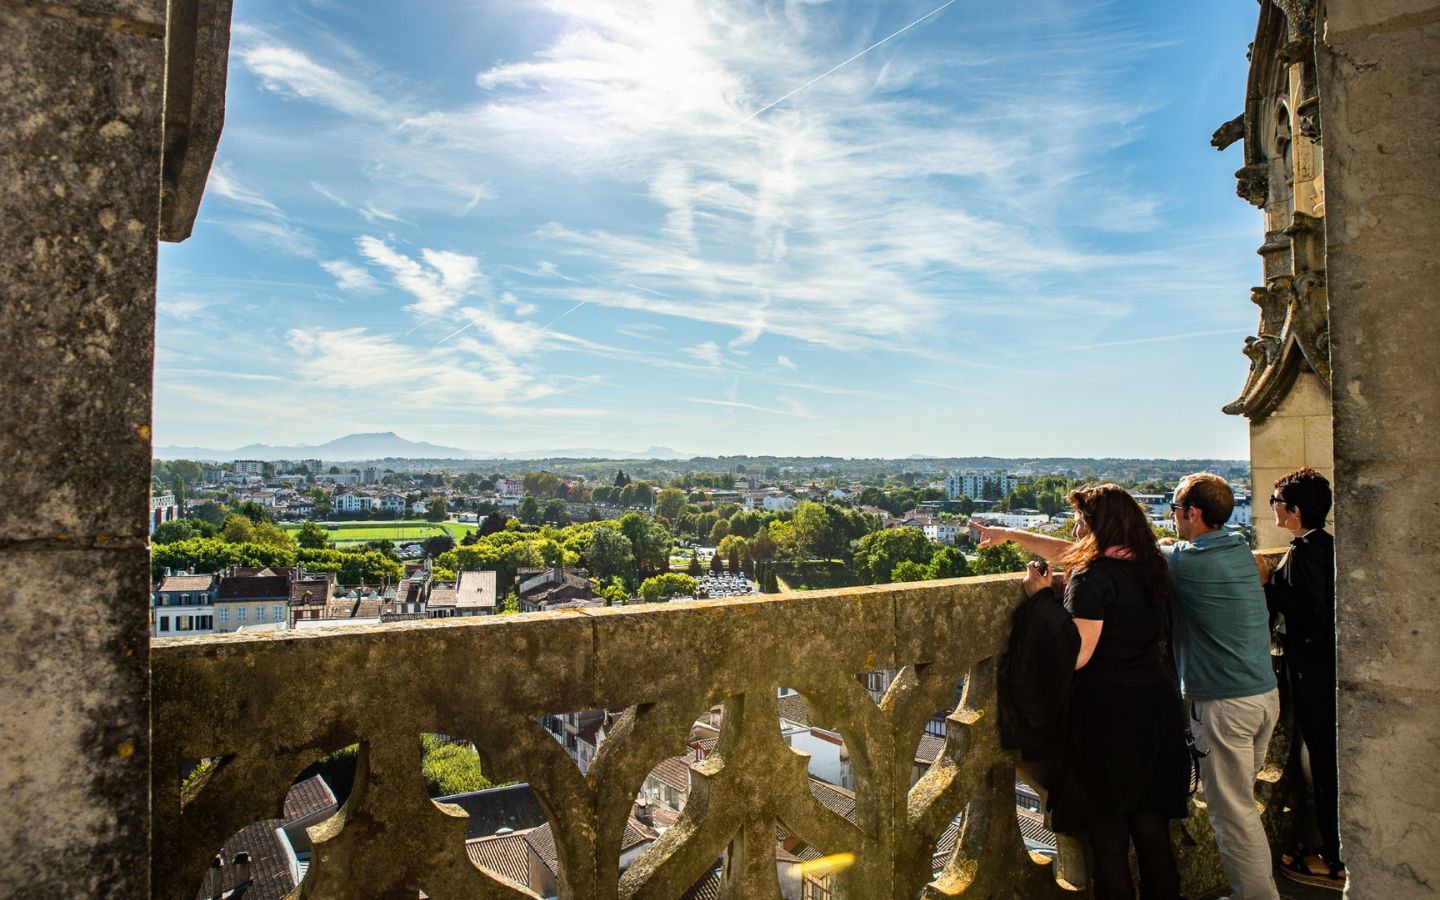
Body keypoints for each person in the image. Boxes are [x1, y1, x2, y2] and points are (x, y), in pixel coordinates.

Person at [1012, 485, 1189, 900]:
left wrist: (1042, 602)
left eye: (1080, 522)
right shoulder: (1150, 567)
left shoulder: (1094, 578)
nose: (1074, 531)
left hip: (1110, 718)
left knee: (1109, 838)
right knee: (1151, 830)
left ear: (1098, 527)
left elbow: (1078, 653)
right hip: (1155, 710)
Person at [1164, 473, 1280, 900]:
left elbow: (1100, 556)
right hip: (1264, 694)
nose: (1171, 516)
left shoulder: (1185, 561)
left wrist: (1010, 534)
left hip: (1226, 703)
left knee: (1233, 814)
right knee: (1242, 807)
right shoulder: (1238, 550)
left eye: (1174, 509)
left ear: (1192, 514)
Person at [1254, 468, 1344, 891]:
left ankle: (1334, 858)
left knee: (1327, 765)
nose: (1271, 506)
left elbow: (1310, 613)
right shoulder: (1322, 546)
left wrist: (1269, 583)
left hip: (1312, 670)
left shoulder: (1307, 551)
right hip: (1319, 670)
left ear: (1293, 510)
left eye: (1275, 500)